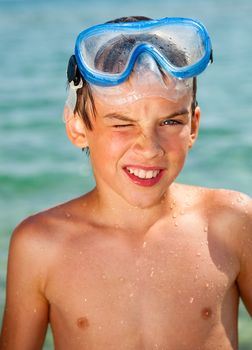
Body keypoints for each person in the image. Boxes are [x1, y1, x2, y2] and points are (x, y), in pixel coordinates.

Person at [0, 15, 251, 350]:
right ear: (78, 128)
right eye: (122, 124)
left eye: (170, 121)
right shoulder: (40, 245)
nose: (148, 147)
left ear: (193, 126)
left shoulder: (230, 222)